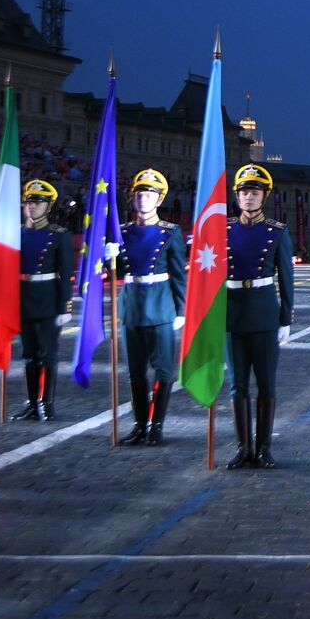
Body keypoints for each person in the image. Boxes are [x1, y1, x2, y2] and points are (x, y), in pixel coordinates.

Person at [223, 164, 294, 470]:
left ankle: (263, 447)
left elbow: (287, 277)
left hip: (264, 311)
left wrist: (285, 318)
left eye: (254, 192)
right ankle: (243, 447)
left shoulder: (276, 232)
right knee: (237, 384)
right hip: (232, 313)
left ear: (264, 196)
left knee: (266, 384)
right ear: (236, 196)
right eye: (243, 192)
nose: (248, 197)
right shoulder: (223, 230)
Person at [111, 169, 188, 447]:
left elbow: (179, 274)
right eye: (140, 194)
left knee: (163, 370)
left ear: (159, 200)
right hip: (131, 306)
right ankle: (139, 425)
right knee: (135, 372)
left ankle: (156, 425)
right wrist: (108, 257)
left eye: (150, 194)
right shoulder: (121, 233)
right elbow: (116, 272)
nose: (144, 199)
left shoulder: (170, 233)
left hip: (160, 306)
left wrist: (181, 310)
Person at [12, 180, 74, 421]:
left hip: (47, 299)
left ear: (48, 207)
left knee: (47, 354)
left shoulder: (59, 235)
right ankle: (31, 403)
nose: (32, 207)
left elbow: (65, 272)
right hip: (22, 299)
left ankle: (46, 403)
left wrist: (64, 306)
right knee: (29, 354)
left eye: (38, 204)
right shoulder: (16, 233)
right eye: (28, 202)